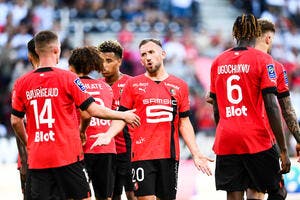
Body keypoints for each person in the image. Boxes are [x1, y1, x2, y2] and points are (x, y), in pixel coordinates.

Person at [10, 30, 140, 200]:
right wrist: (123, 116)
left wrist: (29, 142)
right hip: (66, 156)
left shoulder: (21, 83)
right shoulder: (69, 78)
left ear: (35, 51)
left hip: (38, 157)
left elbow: (15, 121)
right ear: (56, 50)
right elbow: (92, 111)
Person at [91, 38, 213, 200]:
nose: (148, 57)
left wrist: (196, 153)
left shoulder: (180, 86)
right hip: (142, 155)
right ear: (140, 60)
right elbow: (122, 116)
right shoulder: (133, 85)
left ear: (163, 54)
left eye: (151, 52)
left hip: (169, 156)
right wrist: (108, 134)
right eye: (143, 54)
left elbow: (184, 122)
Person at [209, 13, 291, 200]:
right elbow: (272, 106)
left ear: (234, 32)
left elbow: (216, 108)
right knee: (275, 191)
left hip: (227, 138)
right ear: (255, 33)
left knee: (234, 194)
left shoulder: (218, 61)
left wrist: (225, 129)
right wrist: (283, 150)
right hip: (256, 139)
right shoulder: (263, 60)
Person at [255, 18, 300, 200]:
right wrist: (287, 146)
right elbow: (283, 109)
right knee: (278, 191)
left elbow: (211, 98)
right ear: (268, 39)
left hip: (231, 140)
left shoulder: (227, 62)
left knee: (249, 191)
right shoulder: (273, 66)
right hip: (263, 139)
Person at [68, 46, 117, 200]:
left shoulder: (71, 85)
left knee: (77, 196)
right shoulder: (106, 87)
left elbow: (84, 114)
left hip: (81, 148)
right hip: (106, 148)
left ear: (72, 65)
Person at [98, 40, 136, 200]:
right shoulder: (95, 86)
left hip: (129, 151)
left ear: (119, 61)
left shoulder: (132, 84)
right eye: (100, 61)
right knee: (112, 196)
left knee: (133, 195)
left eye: (109, 61)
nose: (103, 66)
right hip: (105, 152)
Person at [16, 38, 39, 200]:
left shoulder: (22, 82)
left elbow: (17, 121)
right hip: (55, 154)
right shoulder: (62, 78)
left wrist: (24, 159)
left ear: (29, 55)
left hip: (31, 153)